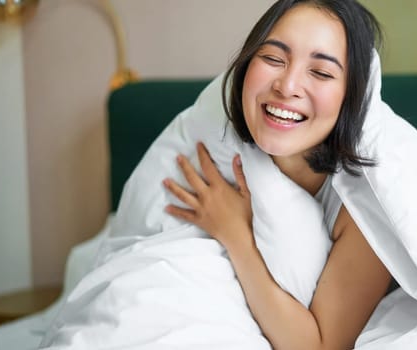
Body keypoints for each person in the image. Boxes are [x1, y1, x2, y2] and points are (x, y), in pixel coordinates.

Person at [160, 1, 391, 349]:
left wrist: (236, 235)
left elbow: (319, 347)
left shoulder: (369, 205)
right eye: (273, 59)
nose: (287, 85)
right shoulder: (221, 147)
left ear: (350, 98)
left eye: (322, 72)